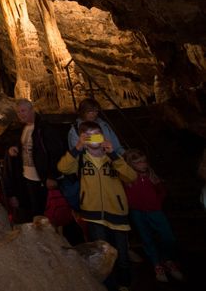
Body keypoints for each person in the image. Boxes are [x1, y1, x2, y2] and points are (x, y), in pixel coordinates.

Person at [58, 121, 137, 291]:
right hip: (93, 213)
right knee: (101, 254)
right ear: (83, 139)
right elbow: (63, 167)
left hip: (117, 213)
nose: (93, 139)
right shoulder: (81, 159)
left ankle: (124, 284)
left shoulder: (113, 157)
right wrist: (77, 147)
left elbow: (131, 177)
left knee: (122, 255)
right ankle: (107, 285)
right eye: (88, 136)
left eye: (96, 135)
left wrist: (114, 155)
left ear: (103, 136)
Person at [123, 149, 184, 282]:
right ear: (131, 164)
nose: (143, 165)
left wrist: (157, 203)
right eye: (138, 163)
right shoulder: (128, 178)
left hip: (155, 211)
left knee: (168, 237)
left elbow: (162, 192)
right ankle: (157, 264)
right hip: (137, 212)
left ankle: (168, 260)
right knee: (147, 238)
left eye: (144, 161)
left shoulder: (152, 176)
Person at [2, 99, 66, 222]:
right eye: (18, 112)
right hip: (27, 178)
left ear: (32, 110)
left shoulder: (44, 128)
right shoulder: (23, 129)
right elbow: (23, 147)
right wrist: (14, 149)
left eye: (23, 111)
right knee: (34, 212)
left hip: (42, 179)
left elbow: (55, 152)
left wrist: (52, 175)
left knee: (48, 212)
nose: (21, 114)